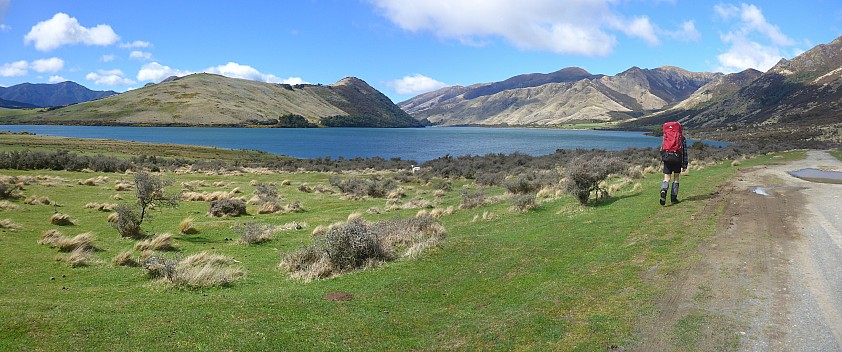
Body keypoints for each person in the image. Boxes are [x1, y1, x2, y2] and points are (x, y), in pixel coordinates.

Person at [660, 123, 688, 205]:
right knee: (676, 178)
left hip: (667, 158)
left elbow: (662, 149)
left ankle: (663, 190)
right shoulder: (682, 138)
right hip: (677, 159)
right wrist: (684, 164)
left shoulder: (666, 136)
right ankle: (673, 197)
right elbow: (685, 153)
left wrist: (664, 158)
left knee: (666, 177)